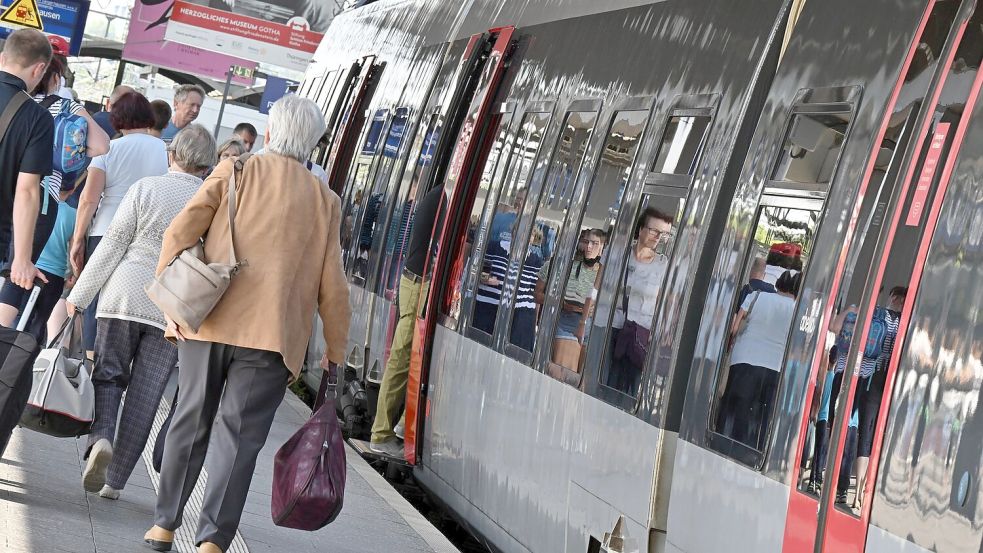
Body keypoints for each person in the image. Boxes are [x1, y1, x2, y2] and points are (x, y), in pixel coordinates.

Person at [144, 95, 350, 553]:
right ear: (314, 144)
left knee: (189, 419)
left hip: (209, 318)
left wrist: (169, 301)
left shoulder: (234, 171)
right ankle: (213, 542)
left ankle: (163, 525)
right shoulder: (325, 201)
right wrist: (335, 351)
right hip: (272, 338)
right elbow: (332, 287)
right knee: (238, 439)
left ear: (272, 134)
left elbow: (179, 231)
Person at [66, 124, 217, 501]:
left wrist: (80, 295)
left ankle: (101, 439)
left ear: (172, 154)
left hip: (123, 296)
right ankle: (115, 482)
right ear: (206, 165)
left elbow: (114, 244)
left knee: (108, 376)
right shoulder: (212, 202)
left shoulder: (146, 188)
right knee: (146, 393)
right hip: (172, 307)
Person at [0, 53, 110, 333]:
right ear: (55, 78)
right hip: (43, 199)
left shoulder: (17, 101)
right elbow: (102, 146)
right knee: (18, 272)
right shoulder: (65, 107)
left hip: (8, 193)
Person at [71, 92, 169, 358]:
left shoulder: (109, 149)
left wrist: (78, 238)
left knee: (94, 295)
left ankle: (91, 360)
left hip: (105, 231)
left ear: (117, 118)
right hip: (147, 236)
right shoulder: (165, 151)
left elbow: (89, 199)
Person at [369, 183, 445, 457]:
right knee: (404, 358)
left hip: (414, 280)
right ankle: (384, 431)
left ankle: (398, 426)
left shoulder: (435, 197)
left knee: (408, 357)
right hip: (419, 283)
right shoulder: (441, 199)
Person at [719, 270, 801, 450]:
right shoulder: (797, 310)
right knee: (762, 417)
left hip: (744, 359)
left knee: (738, 412)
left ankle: (728, 448)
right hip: (775, 367)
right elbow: (796, 349)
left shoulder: (755, 296)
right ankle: (751, 454)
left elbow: (734, 328)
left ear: (778, 283)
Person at [605, 208, 673, 394]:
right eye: (654, 231)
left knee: (631, 388)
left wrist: (663, 332)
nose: (658, 237)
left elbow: (665, 303)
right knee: (605, 379)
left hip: (642, 334)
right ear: (641, 228)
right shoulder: (618, 253)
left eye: (664, 234)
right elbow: (599, 286)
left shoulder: (662, 265)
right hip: (614, 327)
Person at [550, 229, 605, 370]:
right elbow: (547, 293)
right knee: (564, 371)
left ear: (602, 247)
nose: (589, 247)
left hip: (592, 325)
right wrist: (563, 304)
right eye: (586, 242)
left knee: (582, 378)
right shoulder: (568, 266)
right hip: (567, 321)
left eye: (595, 243)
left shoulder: (603, 273)